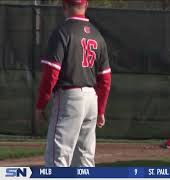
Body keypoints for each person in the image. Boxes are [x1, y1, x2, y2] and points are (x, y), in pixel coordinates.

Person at [35, 0, 112, 166]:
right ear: (86, 5)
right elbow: (105, 79)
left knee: (58, 158)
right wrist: (101, 109)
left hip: (69, 98)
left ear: (64, 6)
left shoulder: (62, 32)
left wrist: (41, 104)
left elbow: (51, 73)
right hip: (92, 99)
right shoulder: (97, 35)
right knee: (85, 159)